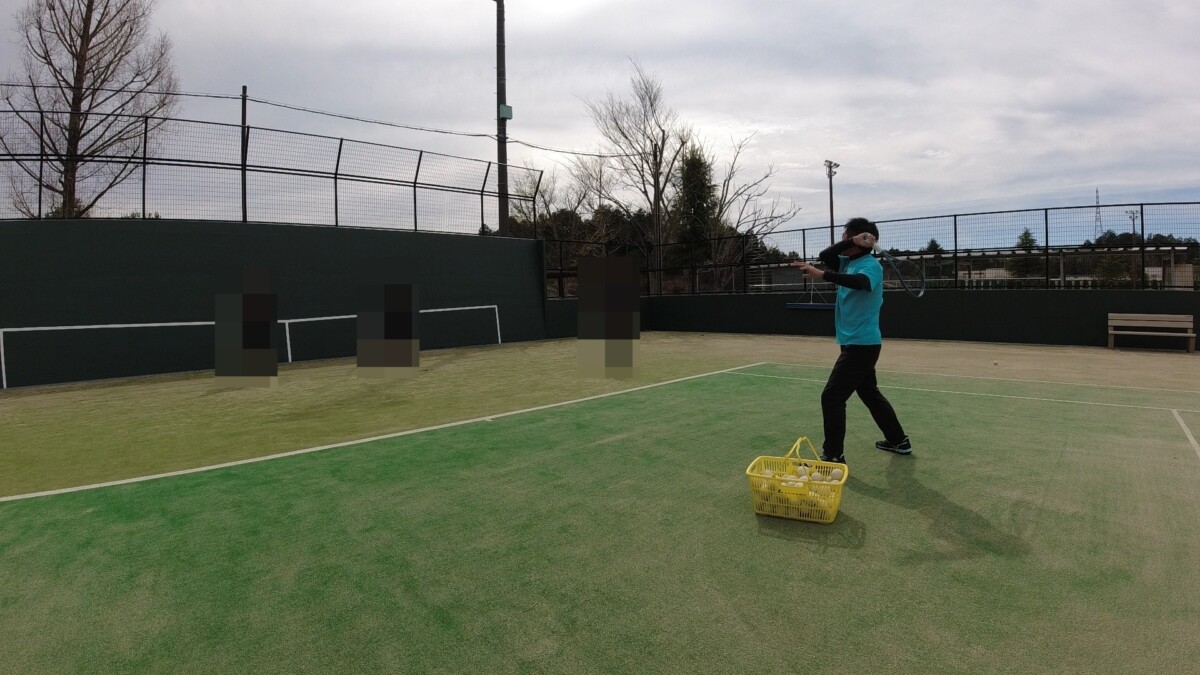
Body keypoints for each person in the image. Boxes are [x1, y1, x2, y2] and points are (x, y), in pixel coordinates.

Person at [792, 217, 910, 463]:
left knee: (832, 397)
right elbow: (826, 255)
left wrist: (824, 275)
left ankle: (833, 455)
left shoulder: (870, 266)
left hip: (862, 345)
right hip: (855, 342)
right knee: (869, 393)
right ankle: (899, 440)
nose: (843, 240)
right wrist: (851, 241)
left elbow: (861, 283)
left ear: (860, 241)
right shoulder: (847, 262)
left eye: (846, 237)